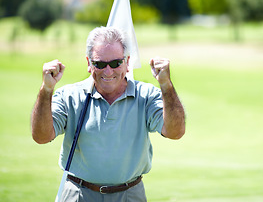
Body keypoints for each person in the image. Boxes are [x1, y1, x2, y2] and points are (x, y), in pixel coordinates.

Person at [31, 26, 185, 202]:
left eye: (115, 63)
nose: (108, 71)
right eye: (100, 64)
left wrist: (166, 86)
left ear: (127, 62)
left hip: (130, 194)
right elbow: (41, 136)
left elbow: (175, 132)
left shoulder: (147, 95)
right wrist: (46, 90)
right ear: (89, 63)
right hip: (78, 193)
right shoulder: (69, 96)